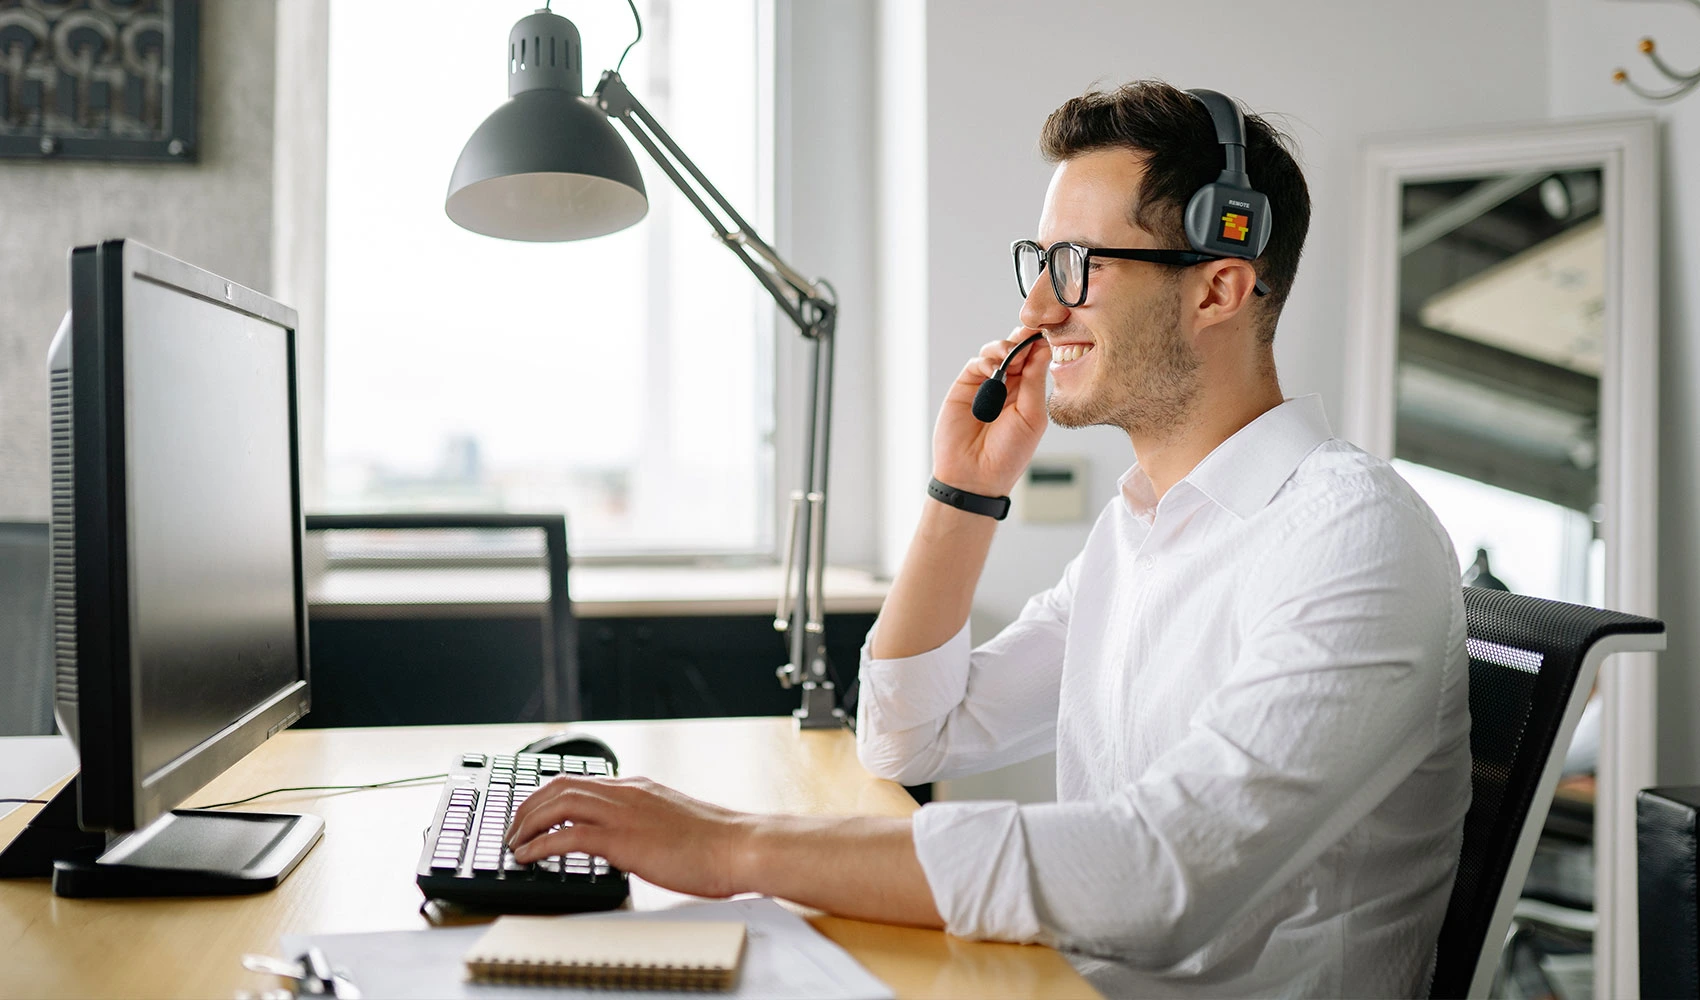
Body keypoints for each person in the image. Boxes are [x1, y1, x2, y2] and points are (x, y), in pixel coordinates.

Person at [508, 79, 1471, 997]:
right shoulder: (1142, 529)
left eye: (1078, 268)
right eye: (1039, 262)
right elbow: (908, 735)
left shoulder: (1353, 540)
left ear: (1218, 288)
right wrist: (963, 492)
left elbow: (1158, 877)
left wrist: (730, 849)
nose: (1038, 311)